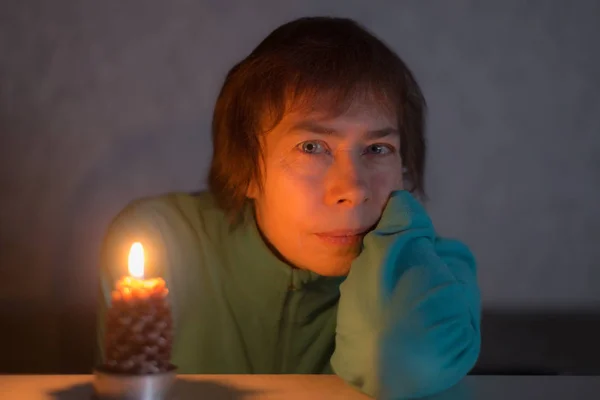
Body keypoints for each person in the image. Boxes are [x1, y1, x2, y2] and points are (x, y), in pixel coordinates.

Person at [96, 16, 481, 399]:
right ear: (247, 168)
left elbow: (399, 363)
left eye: (378, 149)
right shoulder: (165, 242)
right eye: (312, 147)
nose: (352, 188)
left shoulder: (440, 272)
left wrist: (401, 230)